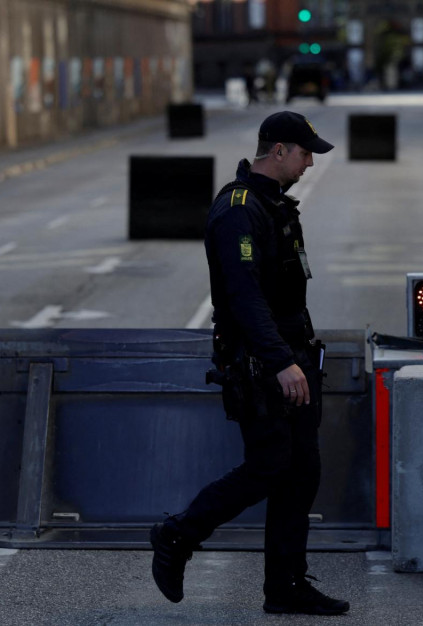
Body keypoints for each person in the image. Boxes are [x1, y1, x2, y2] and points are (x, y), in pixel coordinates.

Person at [150, 111, 349, 616]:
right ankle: (177, 535)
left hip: (292, 356)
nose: (309, 162)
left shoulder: (276, 205)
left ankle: (284, 586)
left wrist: (297, 356)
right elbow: (243, 296)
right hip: (262, 362)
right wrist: (281, 361)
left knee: (302, 470)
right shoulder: (238, 209)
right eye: (305, 153)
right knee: (270, 465)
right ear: (278, 150)